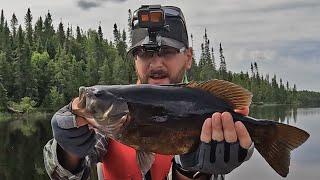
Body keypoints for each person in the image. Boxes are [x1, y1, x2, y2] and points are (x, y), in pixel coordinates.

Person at [43, 5, 254, 180]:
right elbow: (65, 176)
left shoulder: (215, 113)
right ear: (134, 61)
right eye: (144, 53)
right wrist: (68, 149)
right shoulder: (111, 115)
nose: (156, 63)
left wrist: (190, 170)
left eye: (167, 52)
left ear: (188, 57)